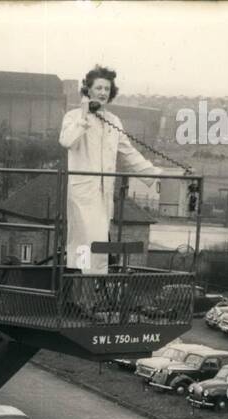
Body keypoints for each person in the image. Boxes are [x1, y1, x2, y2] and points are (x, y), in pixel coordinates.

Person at [59, 65, 161, 278]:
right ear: (88, 90)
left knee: (86, 246)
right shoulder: (73, 117)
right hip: (83, 192)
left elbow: (128, 153)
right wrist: (85, 116)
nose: (103, 92)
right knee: (91, 242)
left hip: (104, 195)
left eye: (107, 88)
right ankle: (84, 295)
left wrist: (155, 174)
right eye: (98, 88)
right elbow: (67, 141)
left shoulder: (114, 121)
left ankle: (81, 298)